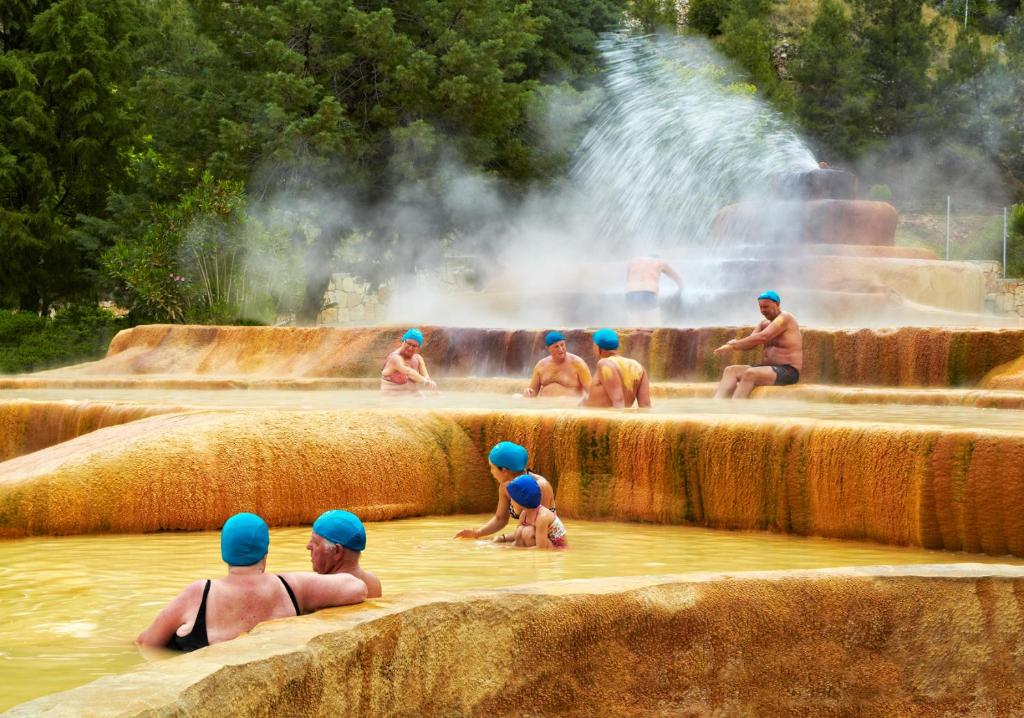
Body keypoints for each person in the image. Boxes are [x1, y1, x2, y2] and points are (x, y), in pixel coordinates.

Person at [137, 513, 367, 652]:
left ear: (224, 553)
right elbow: (357, 588)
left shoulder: (199, 593)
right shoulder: (291, 586)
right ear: (265, 553)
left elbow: (147, 643)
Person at [453, 441, 556, 543]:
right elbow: (500, 519)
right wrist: (477, 533)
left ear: (504, 470)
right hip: (527, 536)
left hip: (547, 540)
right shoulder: (505, 487)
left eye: (492, 467)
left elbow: (537, 529)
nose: (491, 472)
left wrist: (503, 539)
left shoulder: (540, 487)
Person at [712, 290, 803, 399]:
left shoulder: (785, 318)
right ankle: (716, 405)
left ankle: (735, 409)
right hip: (767, 368)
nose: (763, 310)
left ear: (777, 304)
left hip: (788, 371)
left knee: (750, 373)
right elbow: (751, 343)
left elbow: (763, 337)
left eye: (766, 307)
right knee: (730, 370)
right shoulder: (763, 323)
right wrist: (732, 345)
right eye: (761, 307)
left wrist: (735, 345)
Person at [306, 509, 382, 599]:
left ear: (337, 551)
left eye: (316, 543)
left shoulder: (319, 590)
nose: (308, 546)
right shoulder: (374, 582)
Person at [581, 328, 651, 408]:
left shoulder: (604, 364)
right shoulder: (638, 367)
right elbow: (646, 405)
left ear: (597, 347)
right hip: (622, 418)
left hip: (599, 419)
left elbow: (618, 401)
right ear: (617, 346)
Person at [523, 331, 593, 398]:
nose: (561, 349)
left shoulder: (578, 364)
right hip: (545, 407)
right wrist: (528, 392)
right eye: (556, 347)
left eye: (562, 345)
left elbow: (591, 392)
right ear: (548, 349)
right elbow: (532, 392)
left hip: (570, 407)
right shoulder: (541, 366)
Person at [506, 474, 568, 549]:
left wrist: (521, 552)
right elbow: (517, 540)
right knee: (519, 531)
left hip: (557, 548)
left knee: (528, 532)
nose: (511, 502)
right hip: (543, 542)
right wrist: (508, 548)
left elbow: (541, 548)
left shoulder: (542, 517)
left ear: (521, 501)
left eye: (512, 499)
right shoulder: (524, 514)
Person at [625, 254, 682, 325]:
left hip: (631, 294)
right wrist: (681, 287)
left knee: (634, 327)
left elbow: (628, 280)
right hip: (648, 293)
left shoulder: (633, 261)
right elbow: (675, 276)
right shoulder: (660, 262)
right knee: (653, 326)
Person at [381, 328, 437, 393]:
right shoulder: (395, 358)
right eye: (409, 344)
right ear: (403, 341)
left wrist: (433, 389)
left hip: (411, 398)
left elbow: (427, 378)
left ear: (418, 347)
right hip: (392, 399)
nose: (410, 348)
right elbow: (409, 372)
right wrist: (425, 382)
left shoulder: (418, 359)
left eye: (414, 346)